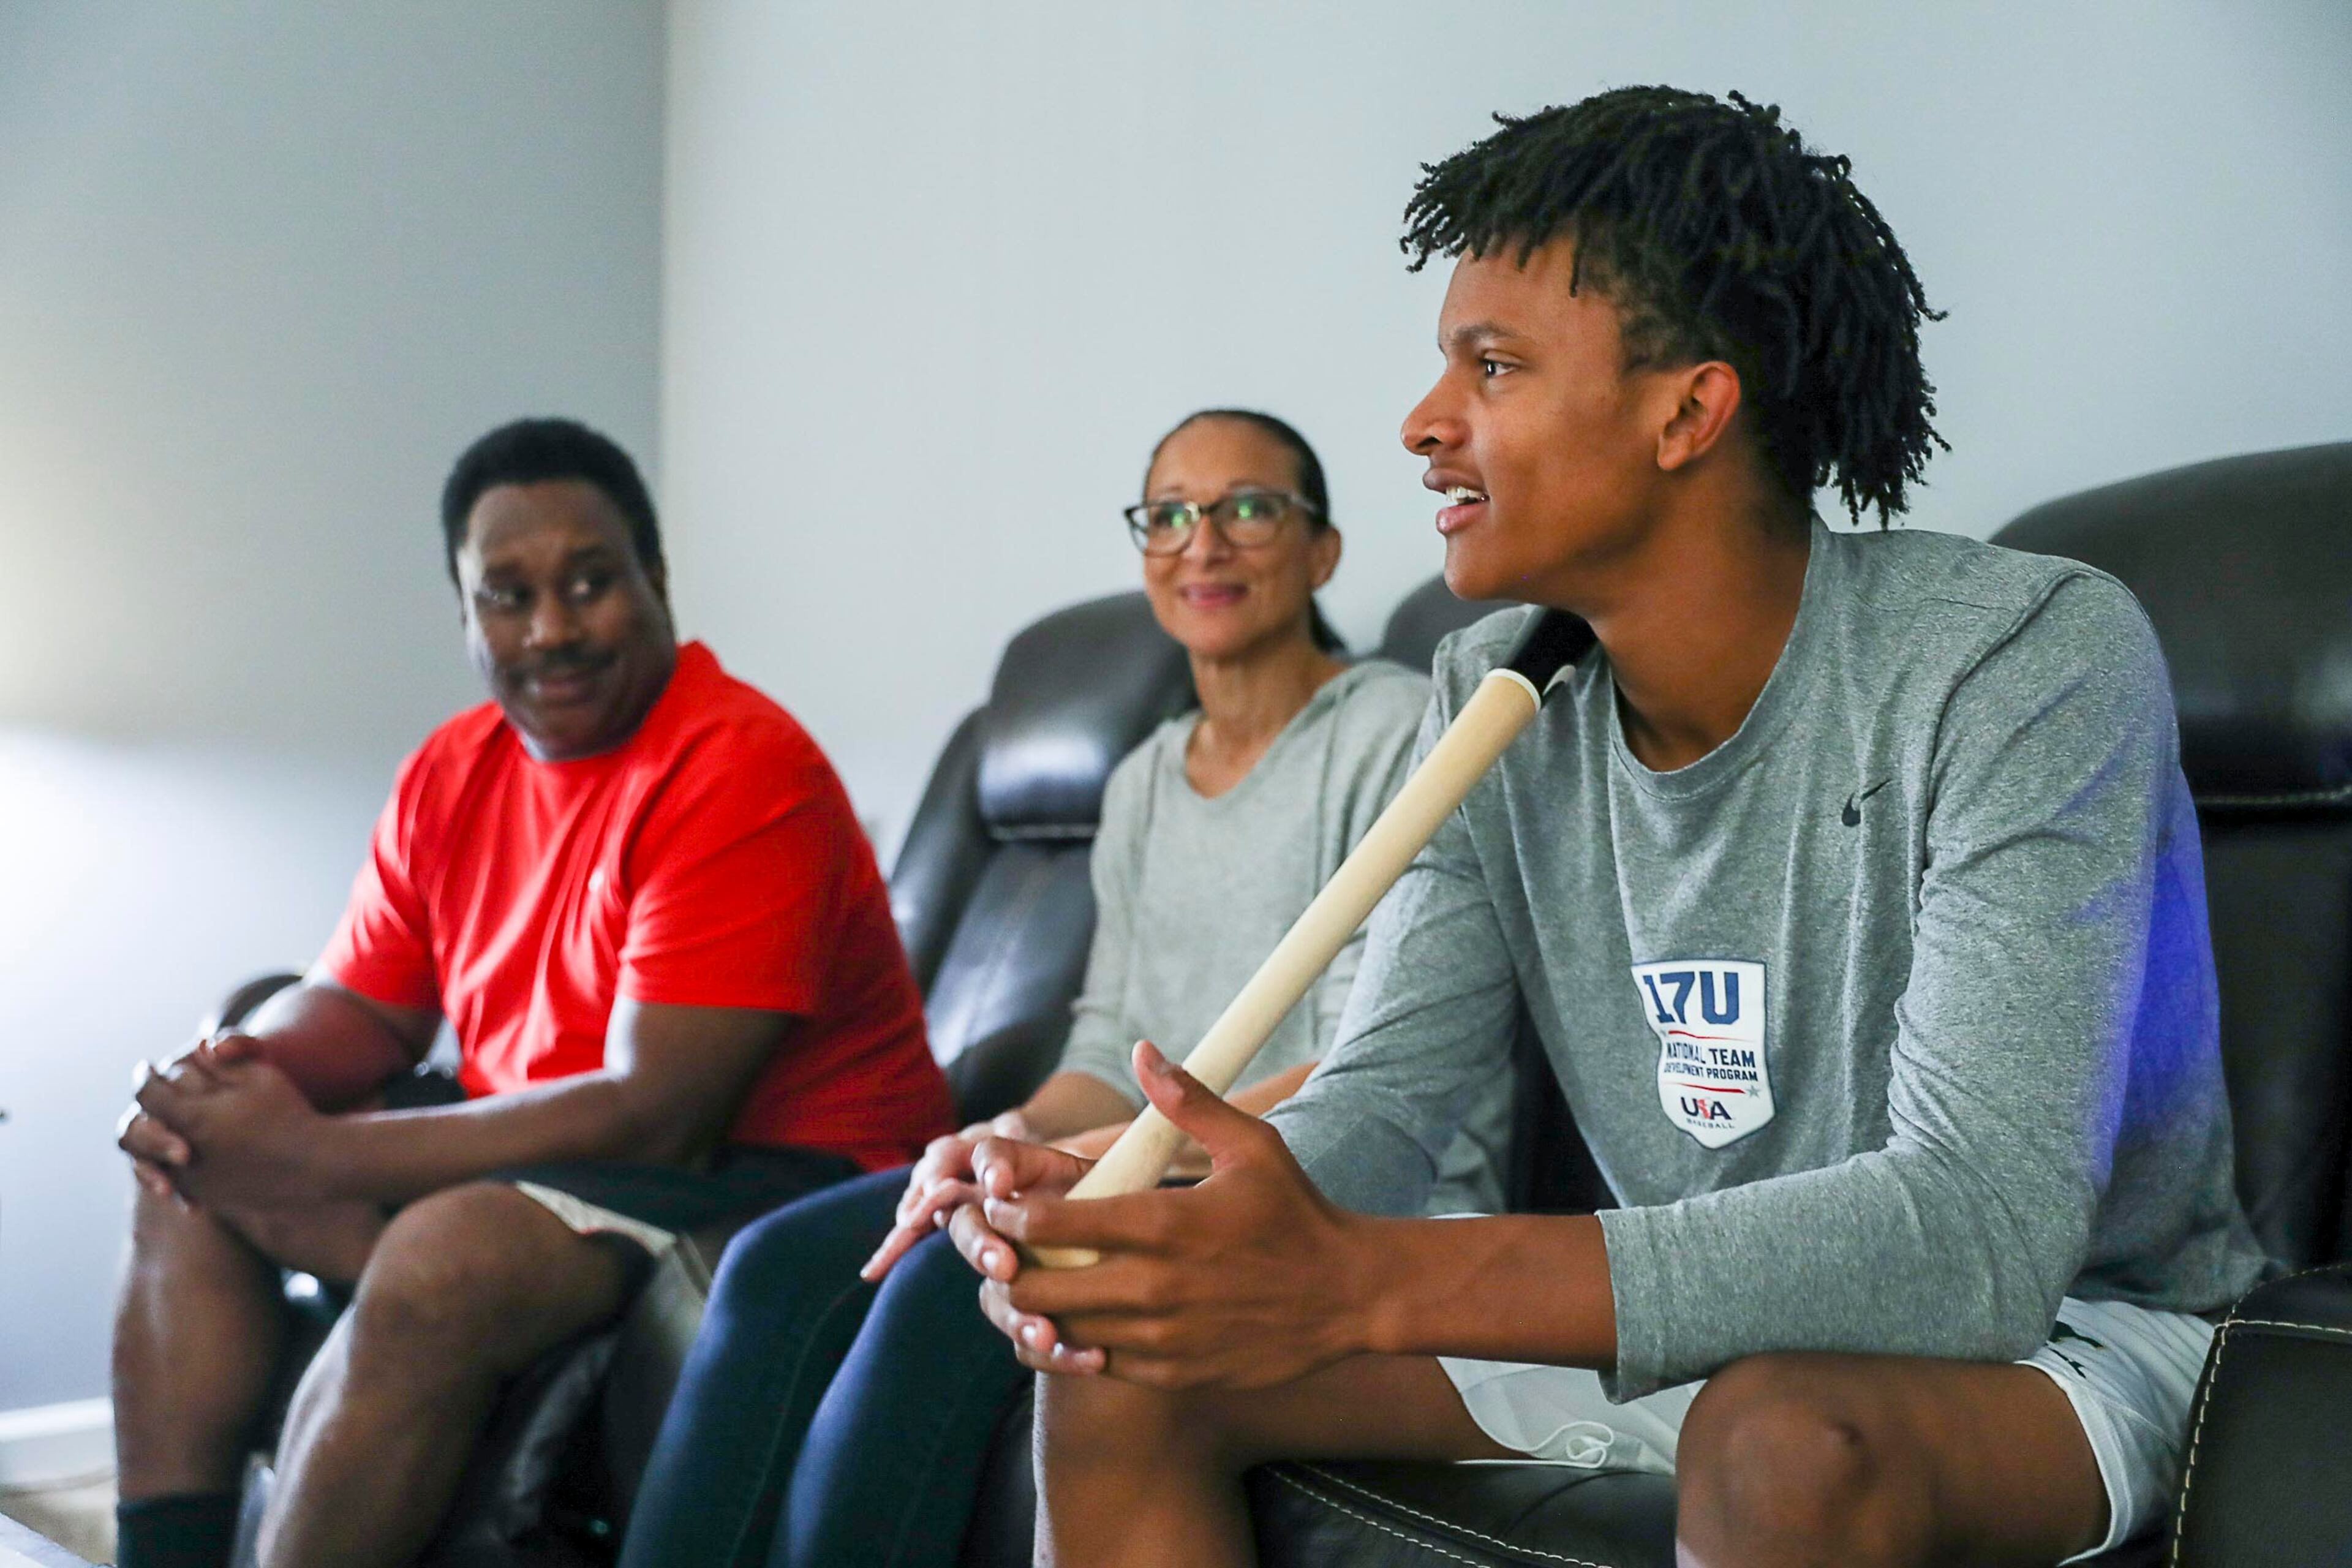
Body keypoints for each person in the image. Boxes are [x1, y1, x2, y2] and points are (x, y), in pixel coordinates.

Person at [949, 88, 2270, 1568]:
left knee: (1779, 1441)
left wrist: (1369, 1282)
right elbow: (1380, 1101)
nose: (1422, 424)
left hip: (2061, 1342)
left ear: (1687, 411)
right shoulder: (1489, 693)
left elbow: (1971, 1236)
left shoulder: (2025, 654)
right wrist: (1165, 1214)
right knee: (1125, 1369)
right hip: (1707, 1332)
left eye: (1492, 366)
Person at [616, 409, 1502, 1568]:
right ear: (1144, 555)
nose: (1205, 545)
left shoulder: (1392, 731)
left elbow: (1369, 1064)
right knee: (777, 1260)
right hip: (1146, 1162)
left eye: (1249, 509)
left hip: (1324, 1172)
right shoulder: (1138, 780)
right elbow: (1106, 1040)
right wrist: (1012, 1132)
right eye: (1171, 517)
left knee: (965, 1266)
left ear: (1321, 550)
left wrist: (1098, 1163)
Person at [109, 417, 954, 1568]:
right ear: (466, 615)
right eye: (507, 596)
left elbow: (658, 1110)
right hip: (554, 1141)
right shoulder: (456, 767)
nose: (550, 630)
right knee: (183, 1171)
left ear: (656, 580)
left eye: (590, 583)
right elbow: (364, 1004)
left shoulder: (743, 765)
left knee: (443, 1256)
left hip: (774, 1174)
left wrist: (309, 1157)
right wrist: (223, 1084)